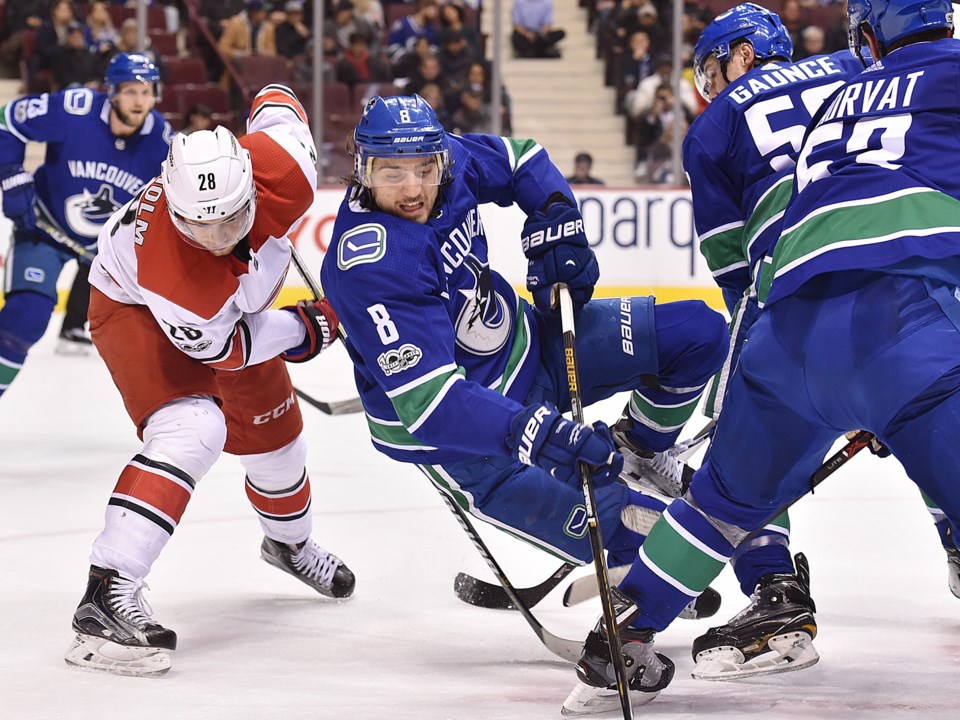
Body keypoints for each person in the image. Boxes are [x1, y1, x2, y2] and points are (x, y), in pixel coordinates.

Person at [564, 0, 960, 712]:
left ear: (740, 55)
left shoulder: (722, 125)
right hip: (907, 317)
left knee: (720, 499)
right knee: (927, 412)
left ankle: (630, 635)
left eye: (714, 70)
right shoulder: (856, 71)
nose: (712, 86)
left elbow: (738, 274)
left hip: (788, 315)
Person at [320, 93, 729, 687]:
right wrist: (538, 433)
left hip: (532, 348)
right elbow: (432, 406)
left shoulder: (451, 162)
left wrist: (554, 216)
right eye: (391, 172)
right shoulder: (372, 262)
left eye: (424, 169)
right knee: (663, 533)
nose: (412, 188)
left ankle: (641, 447)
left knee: (699, 333)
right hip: (475, 439)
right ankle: (613, 552)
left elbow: (521, 160)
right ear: (362, 167)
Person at [65, 85, 355, 677]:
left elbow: (276, 99)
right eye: (203, 228)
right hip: (137, 312)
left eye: (232, 220)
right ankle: (106, 592)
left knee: (278, 443)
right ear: (175, 210)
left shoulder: (286, 163)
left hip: (232, 315)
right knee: (194, 427)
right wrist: (310, 329)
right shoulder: (177, 278)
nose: (221, 238)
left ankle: (289, 546)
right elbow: (232, 345)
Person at [0, 53, 172, 395]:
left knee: (146, 345)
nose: (140, 101)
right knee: (25, 319)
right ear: (112, 91)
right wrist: (10, 173)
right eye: (130, 91)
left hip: (107, 252)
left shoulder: (164, 144)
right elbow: (7, 119)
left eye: (147, 91)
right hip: (44, 230)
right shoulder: (74, 109)